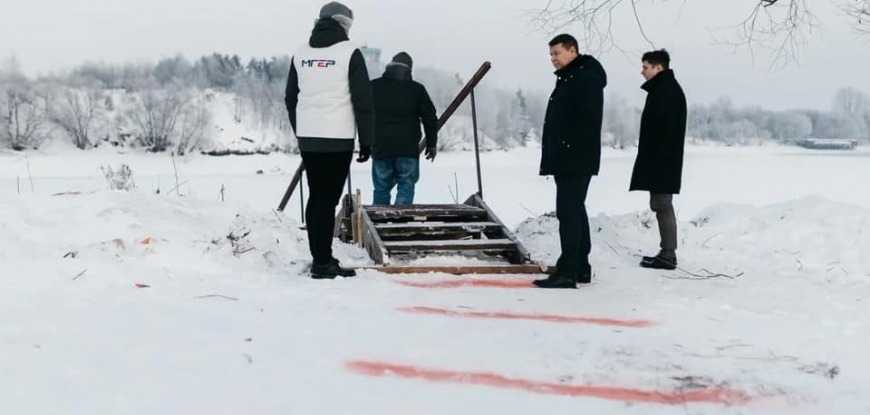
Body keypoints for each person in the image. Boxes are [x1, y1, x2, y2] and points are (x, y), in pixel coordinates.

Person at [284, 1, 374, 279]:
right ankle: (322, 263)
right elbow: (363, 100)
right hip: (338, 138)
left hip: (310, 139)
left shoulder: (300, 54)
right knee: (327, 199)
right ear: (344, 25)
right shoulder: (350, 53)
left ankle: (321, 257)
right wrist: (367, 140)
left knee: (316, 197)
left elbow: (290, 98)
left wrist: (302, 131)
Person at [533, 34, 607, 289]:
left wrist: (565, 147)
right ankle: (581, 267)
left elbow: (583, 119)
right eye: (551, 55)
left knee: (568, 211)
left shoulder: (583, 78)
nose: (553, 59)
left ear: (572, 50)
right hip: (571, 155)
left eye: (557, 53)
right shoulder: (574, 76)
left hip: (574, 156)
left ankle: (568, 272)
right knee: (575, 208)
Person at [630, 49, 687, 271]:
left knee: (662, 205)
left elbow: (664, 130)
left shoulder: (666, 91)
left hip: (663, 160)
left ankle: (668, 255)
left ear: (658, 68)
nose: (642, 71)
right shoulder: (664, 89)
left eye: (645, 67)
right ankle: (667, 253)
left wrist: (656, 159)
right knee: (660, 204)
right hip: (663, 159)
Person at [370, 52, 438, 205]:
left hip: (381, 147)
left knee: (381, 188)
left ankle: (379, 224)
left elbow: (361, 113)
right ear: (409, 69)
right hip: (407, 149)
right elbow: (430, 118)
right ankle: (399, 223)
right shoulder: (417, 90)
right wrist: (431, 143)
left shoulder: (373, 86)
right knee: (406, 185)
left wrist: (365, 142)